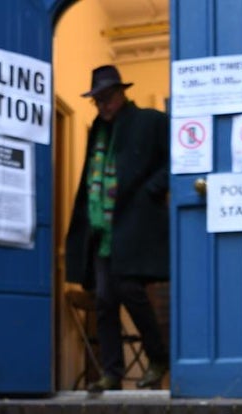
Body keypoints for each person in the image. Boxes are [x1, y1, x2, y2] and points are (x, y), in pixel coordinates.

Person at [65, 65, 170, 393]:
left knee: (129, 289)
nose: (103, 105)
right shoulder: (98, 130)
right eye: (97, 100)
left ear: (122, 92)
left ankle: (158, 356)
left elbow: (179, 159)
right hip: (101, 230)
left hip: (132, 226)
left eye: (107, 97)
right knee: (106, 300)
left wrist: (153, 188)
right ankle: (112, 373)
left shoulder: (149, 121)